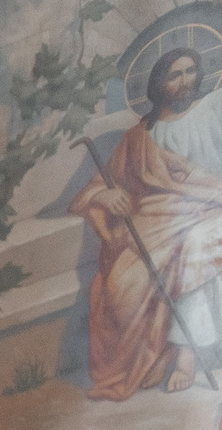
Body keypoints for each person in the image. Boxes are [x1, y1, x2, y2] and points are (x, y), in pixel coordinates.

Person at [74, 45, 222, 398]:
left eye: (189, 71)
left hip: (215, 208)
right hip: (161, 221)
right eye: (174, 74)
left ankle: (187, 354)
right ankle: (156, 353)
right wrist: (106, 196)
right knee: (121, 280)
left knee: (194, 245)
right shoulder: (141, 136)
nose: (185, 80)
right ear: (159, 84)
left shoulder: (214, 108)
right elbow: (99, 186)